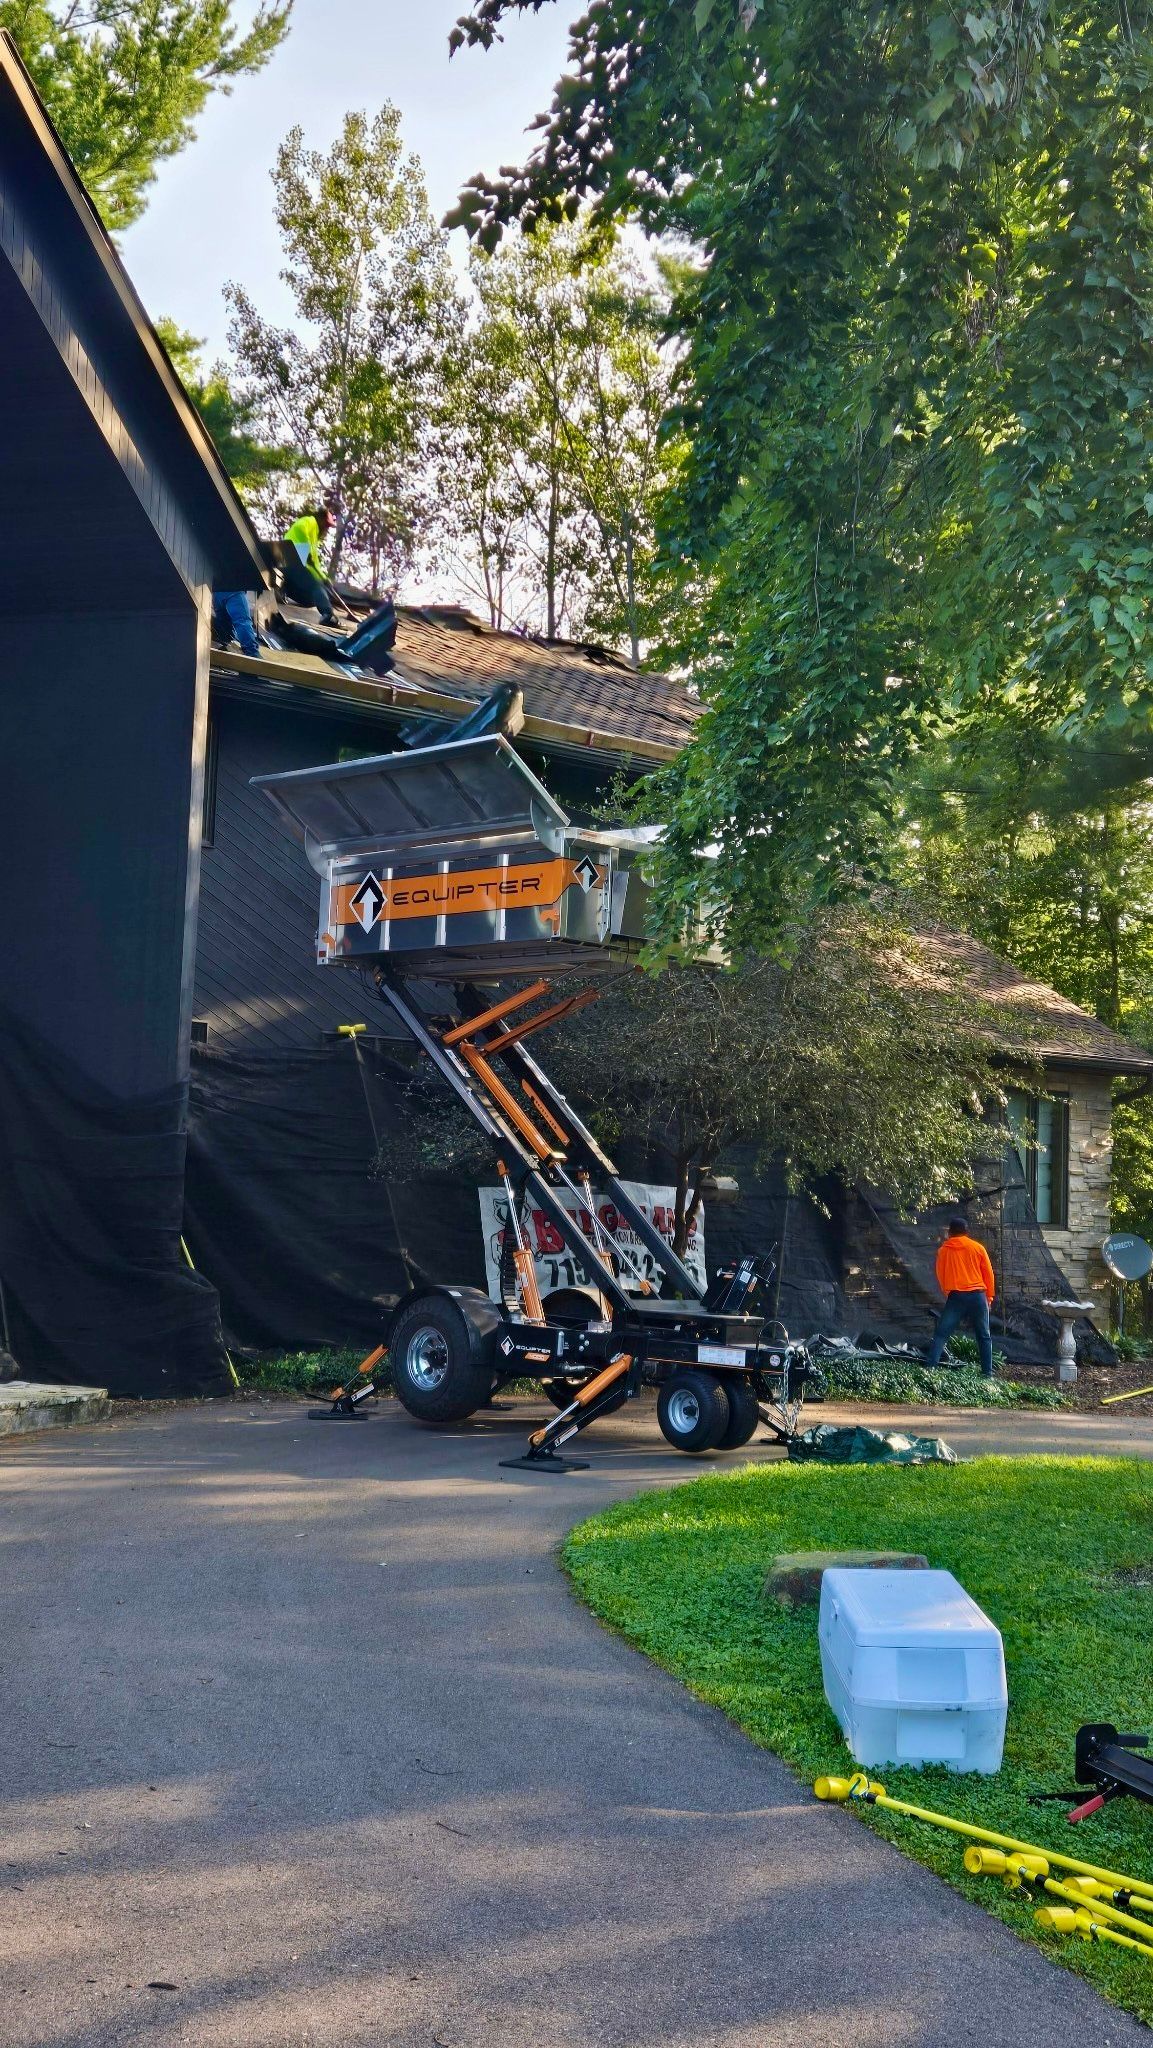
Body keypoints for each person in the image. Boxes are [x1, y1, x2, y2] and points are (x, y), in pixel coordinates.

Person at [926, 1216, 996, 1378]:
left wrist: (948, 1292)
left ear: (950, 1233)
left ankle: (930, 1370)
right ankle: (987, 1374)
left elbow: (941, 1274)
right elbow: (989, 1274)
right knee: (984, 1335)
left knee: (941, 1334)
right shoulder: (978, 1248)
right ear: (966, 1232)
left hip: (956, 1297)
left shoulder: (943, 1250)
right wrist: (989, 1298)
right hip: (978, 1296)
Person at [282, 505, 336, 623]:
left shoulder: (314, 535)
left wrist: (324, 579)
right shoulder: (308, 522)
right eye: (326, 525)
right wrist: (305, 552)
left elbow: (314, 564)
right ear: (320, 519)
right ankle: (328, 614)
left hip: (293, 570)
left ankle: (281, 590)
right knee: (316, 587)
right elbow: (300, 529)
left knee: (311, 598)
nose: (326, 530)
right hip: (290, 561)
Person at [211, 590, 260, 657]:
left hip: (217, 592)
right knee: (242, 621)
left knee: (224, 623)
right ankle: (252, 653)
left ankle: (225, 646)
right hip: (234, 589)